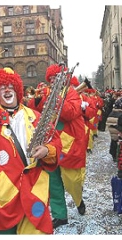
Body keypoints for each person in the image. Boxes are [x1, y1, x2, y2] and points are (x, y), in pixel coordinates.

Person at [0, 55, 62, 234]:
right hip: (0, 197)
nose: (6, 90)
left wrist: (47, 150)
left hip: (33, 192)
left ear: (17, 90)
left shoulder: (36, 117)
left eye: (10, 86)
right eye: (1, 87)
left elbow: (55, 141)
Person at [43, 64, 87, 229]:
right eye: (51, 79)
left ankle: (78, 199)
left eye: (56, 78)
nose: (53, 81)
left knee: (72, 182)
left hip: (70, 144)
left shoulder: (72, 93)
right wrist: (38, 102)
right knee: (53, 182)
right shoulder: (49, 94)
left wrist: (57, 100)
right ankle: (60, 215)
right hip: (52, 143)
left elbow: (70, 113)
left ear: (63, 78)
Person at [106, 97, 122, 161]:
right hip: (118, 133)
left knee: (113, 142)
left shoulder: (112, 112)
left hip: (113, 132)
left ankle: (113, 155)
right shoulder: (120, 114)